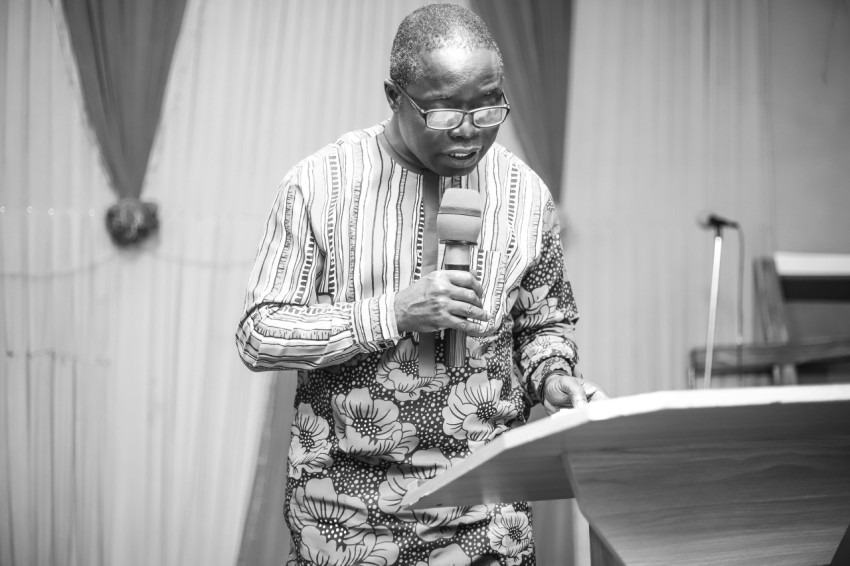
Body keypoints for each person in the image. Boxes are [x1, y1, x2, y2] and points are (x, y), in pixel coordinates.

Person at [236, 4, 607, 565]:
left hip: (488, 512)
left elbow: (543, 322)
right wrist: (392, 313)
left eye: (488, 106)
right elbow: (258, 334)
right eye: (443, 111)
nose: (468, 130)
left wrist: (554, 377)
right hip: (346, 516)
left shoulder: (527, 195)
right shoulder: (317, 185)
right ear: (393, 95)